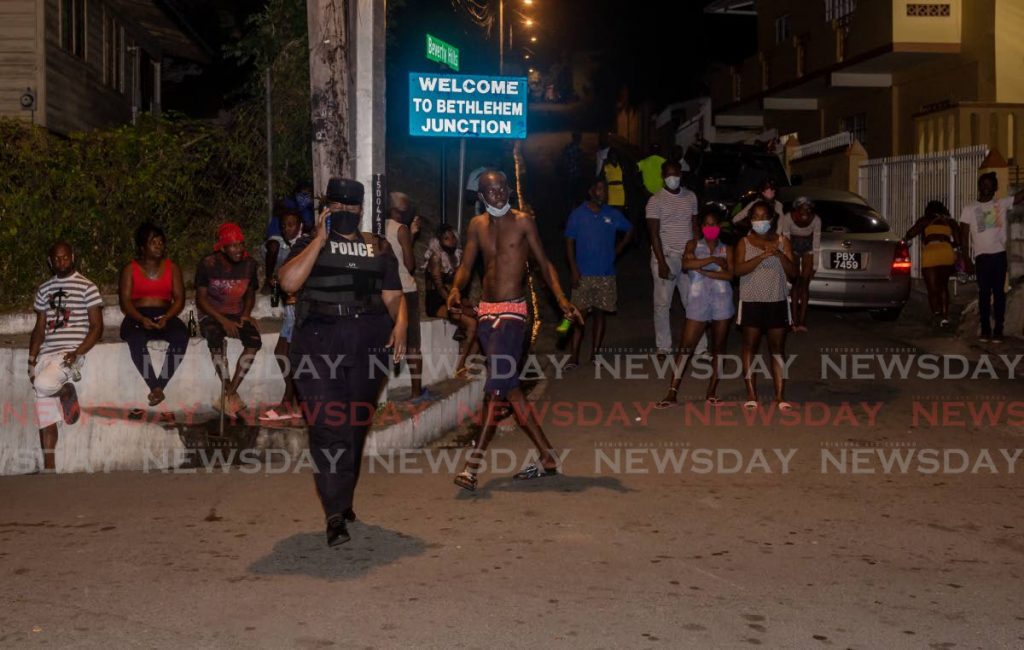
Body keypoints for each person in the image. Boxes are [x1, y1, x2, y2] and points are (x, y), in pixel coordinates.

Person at [279, 177, 407, 546]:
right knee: (326, 424)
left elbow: (394, 294)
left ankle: (343, 498)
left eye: (353, 208)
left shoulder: (377, 246)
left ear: (362, 210)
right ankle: (335, 514)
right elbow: (288, 283)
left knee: (354, 426)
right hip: (319, 339)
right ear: (327, 208)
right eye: (339, 207)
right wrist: (319, 239)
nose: (347, 213)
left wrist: (400, 323)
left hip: (368, 339)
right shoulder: (308, 243)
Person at [447, 170, 582, 492]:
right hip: (486, 313)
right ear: (480, 196)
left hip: (513, 313)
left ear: (508, 189)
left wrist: (562, 299)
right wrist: (455, 289)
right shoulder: (476, 226)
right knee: (510, 389)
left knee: (495, 388)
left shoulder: (522, 221)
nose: (498, 194)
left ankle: (472, 466)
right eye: (490, 191)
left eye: (502, 188)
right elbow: (466, 265)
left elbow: (545, 262)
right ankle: (548, 456)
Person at [28, 242, 103, 472]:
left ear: (73, 256)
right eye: (56, 259)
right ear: (50, 262)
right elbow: (40, 327)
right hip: (47, 355)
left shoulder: (87, 287)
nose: (61, 262)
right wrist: (31, 360)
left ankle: (65, 391)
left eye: (65, 257)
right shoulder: (44, 289)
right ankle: (50, 468)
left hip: (69, 355)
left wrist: (78, 352)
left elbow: (97, 327)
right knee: (45, 413)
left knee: (42, 384)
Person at [656, 209, 735, 408]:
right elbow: (685, 264)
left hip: (722, 302)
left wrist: (704, 271)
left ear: (719, 227)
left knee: (719, 348)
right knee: (685, 348)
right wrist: (712, 261)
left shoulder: (728, 249)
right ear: (701, 227)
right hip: (698, 303)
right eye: (706, 224)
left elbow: (730, 276)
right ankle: (672, 392)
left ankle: (712, 392)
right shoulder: (692, 244)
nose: (710, 228)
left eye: (714, 224)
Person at [117, 223, 188, 411]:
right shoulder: (130, 270)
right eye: (153, 242)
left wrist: (168, 317)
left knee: (181, 336)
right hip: (137, 316)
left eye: (160, 242)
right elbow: (125, 303)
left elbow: (180, 299)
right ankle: (154, 385)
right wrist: (141, 319)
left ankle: (160, 385)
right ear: (142, 247)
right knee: (136, 338)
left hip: (166, 314)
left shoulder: (172, 268)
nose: (158, 246)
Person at [564, 178, 634, 367]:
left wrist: (617, 251)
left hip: (606, 273)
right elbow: (569, 242)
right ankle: (574, 356)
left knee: (600, 314)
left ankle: (595, 354)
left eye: (606, 190)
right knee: (579, 315)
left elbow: (630, 230)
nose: (604, 193)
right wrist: (573, 269)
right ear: (591, 191)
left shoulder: (612, 214)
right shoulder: (578, 214)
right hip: (583, 273)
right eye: (600, 189)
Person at [195, 222, 262, 417]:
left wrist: (246, 314)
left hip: (236, 312)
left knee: (254, 342)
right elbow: (200, 299)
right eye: (233, 246)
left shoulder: (250, 265)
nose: (238, 249)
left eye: (240, 244)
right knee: (215, 338)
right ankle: (228, 388)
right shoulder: (208, 264)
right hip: (211, 313)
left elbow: (250, 294)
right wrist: (223, 321)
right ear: (222, 248)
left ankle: (230, 393)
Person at [735, 201, 796, 410]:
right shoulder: (744, 242)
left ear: (771, 219)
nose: (760, 221)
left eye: (764, 216)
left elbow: (793, 273)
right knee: (749, 347)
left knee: (777, 349)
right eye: (756, 217)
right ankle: (751, 394)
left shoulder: (782, 241)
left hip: (777, 301)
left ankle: (780, 396)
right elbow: (738, 270)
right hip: (751, 301)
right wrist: (762, 256)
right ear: (751, 219)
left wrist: (778, 253)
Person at [646, 160, 702, 358]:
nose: (673, 178)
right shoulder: (655, 201)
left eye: (675, 174)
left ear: (680, 174)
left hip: (687, 258)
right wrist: (661, 262)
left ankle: (699, 347)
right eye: (668, 174)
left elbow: (695, 225)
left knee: (694, 302)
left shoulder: (691, 197)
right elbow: (653, 234)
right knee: (662, 304)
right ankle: (664, 346)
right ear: (663, 176)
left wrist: (697, 250)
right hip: (667, 257)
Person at [959, 172, 1023, 343]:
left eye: (990, 184)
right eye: (984, 184)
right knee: (984, 294)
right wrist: (966, 259)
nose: (986, 187)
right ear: (979, 186)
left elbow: (1018, 197)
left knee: (999, 294)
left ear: (995, 188)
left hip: (999, 256)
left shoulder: (1000, 203)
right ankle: (986, 330)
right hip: (982, 258)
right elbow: (963, 237)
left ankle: (999, 330)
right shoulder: (969, 208)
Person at [384, 191, 432, 402]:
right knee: (413, 344)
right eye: (407, 206)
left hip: (385, 291)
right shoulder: (401, 229)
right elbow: (409, 264)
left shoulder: (378, 227)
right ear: (398, 209)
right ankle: (416, 392)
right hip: (405, 291)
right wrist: (409, 235)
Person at [259, 211, 305, 421]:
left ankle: (289, 401)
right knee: (282, 352)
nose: (287, 229)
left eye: (292, 224)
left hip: (298, 307)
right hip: (290, 307)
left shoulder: (303, 245)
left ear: (300, 225)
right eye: (285, 225)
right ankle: (292, 399)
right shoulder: (293, 246)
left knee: (288, 353)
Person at [424, 224, 478, 377]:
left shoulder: (458, 256)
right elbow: (440, 287)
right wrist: (454, 305)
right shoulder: (435, 257)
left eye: (453, 237)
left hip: (451, 298)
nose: (451, 241)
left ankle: (468, 361)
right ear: (439, 241)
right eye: (446, 238)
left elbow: (458, 286)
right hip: (437, 302)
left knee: (481, 317)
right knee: (472, 324)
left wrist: (464, 302)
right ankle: (459, 368)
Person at [904, 200, 961, 329]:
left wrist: (904, 240)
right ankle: (945, 317)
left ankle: (936, 314)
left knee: (932, 288)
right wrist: (945, 243)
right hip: (946, 253)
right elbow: (958, 241)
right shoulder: (950, 221)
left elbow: (910, 233)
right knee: (943, 286)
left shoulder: (925, 220)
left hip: (931, 253)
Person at [780, 197, 821, 332]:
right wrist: (788, 263)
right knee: (796, 283)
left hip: (808, 249)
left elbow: (816, 243)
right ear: (796, 209)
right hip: (793, 249)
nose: (805, 213)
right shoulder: (788, 218)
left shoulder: (816, 220)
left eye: (808, 210)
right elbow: (785, 240)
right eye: (802, 209)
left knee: (805, 284)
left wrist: (815, 265)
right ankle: (793, 321)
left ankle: (802, 321)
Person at [560, 132, 584, 211]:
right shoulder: (577, 149)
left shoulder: (568, 148)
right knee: (575, 193)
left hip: (569, 173)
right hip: (575, 174)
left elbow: (564, 161)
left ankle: (570, 207)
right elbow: (580, 161)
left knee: (570, 193)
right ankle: (573, 208)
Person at [600, 149, 628, 215]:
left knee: (619, 213)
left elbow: (626, 181)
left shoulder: (621, 167)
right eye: (611, 156)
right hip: (611, 191)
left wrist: (626, 195)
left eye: (615, 156)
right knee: (610, 212)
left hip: (620, 191)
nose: (613, 158)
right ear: (609, 157)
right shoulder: (606, 167)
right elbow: (601, 179)